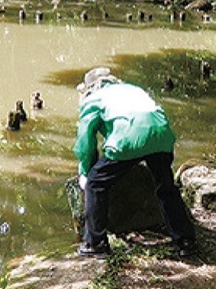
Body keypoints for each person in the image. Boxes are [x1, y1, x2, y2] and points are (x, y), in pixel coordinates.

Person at [73, 67, 197, 258]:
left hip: (129, 139)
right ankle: (185, 239)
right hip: (161, 134)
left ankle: (95, 243)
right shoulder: (132, 89)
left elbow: (85, 141)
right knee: (166, 187)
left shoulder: (94, 98)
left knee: (96, 183)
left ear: (89, 88)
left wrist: (85, 171)